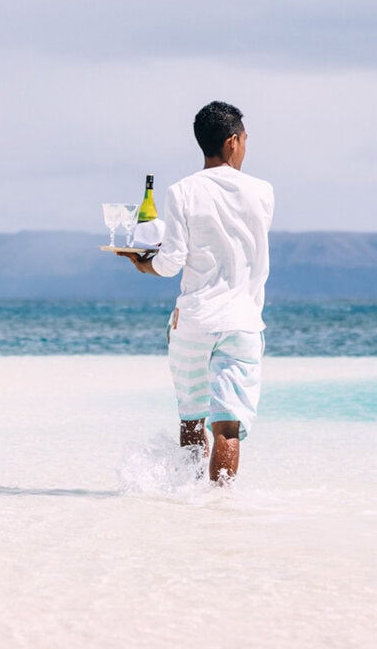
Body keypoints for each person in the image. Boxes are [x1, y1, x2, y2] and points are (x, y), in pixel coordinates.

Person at [116, 101, 274, 483]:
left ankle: (188, 502)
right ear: (233, 141)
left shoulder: (182, 191)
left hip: (194, 322)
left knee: (191, 418)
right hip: (242, 324)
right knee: (228, 426)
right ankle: (218, 509)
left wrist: (142, 263)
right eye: (246, 139)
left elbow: (171, 262)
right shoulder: (263, 192)